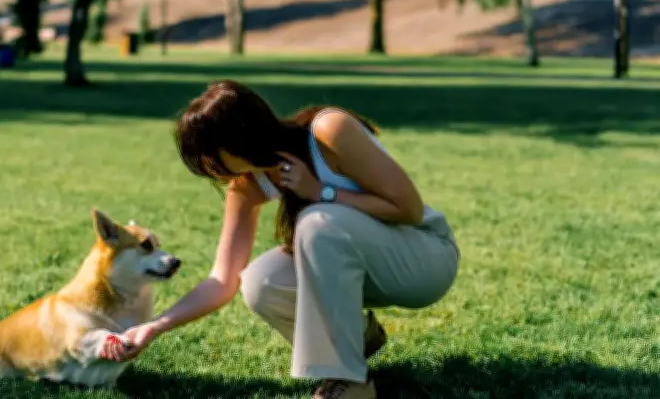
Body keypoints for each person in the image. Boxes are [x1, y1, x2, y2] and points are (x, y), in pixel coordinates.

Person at [118, 80, 461, 399]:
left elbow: (410, 209)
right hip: (371, 265)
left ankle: (352, 384)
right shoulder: (248, 185)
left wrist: (321, 192)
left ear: (238, 138)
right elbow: (222, 280)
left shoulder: (328, 130)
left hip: (425, 258)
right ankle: (358, 338)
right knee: (259, 281)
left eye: (209, 153)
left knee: (316, 223)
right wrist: (154, 327)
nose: (207, 166)